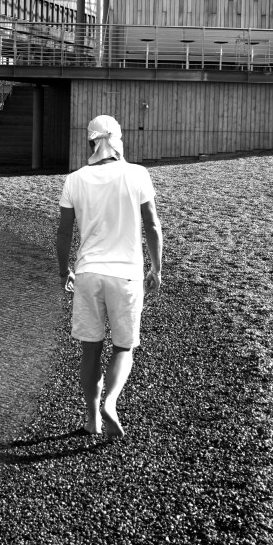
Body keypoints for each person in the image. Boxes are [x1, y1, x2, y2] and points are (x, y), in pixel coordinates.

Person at [56, 114, 163, 438]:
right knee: (123, 348)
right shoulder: (137, 174)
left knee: (90, 350)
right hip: (126, 275)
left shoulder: (75, 180)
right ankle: (111, 402)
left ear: (90, 143)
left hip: (88, 274)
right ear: (117, 139)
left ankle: (92, 419)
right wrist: (157, 268)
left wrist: (64, 271)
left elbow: (63, 234)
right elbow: (152, 225)